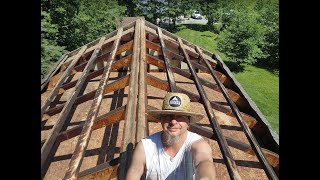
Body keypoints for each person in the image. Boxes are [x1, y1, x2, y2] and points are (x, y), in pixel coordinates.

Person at [126, 92, 216, 180]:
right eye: (168, 116)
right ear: (161, 120)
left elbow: (204, 162)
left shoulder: (197, 144)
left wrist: (205, 177)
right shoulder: (145, 146)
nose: (173, 122)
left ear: (188, 123)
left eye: (180, 117)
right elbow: (135, 171)